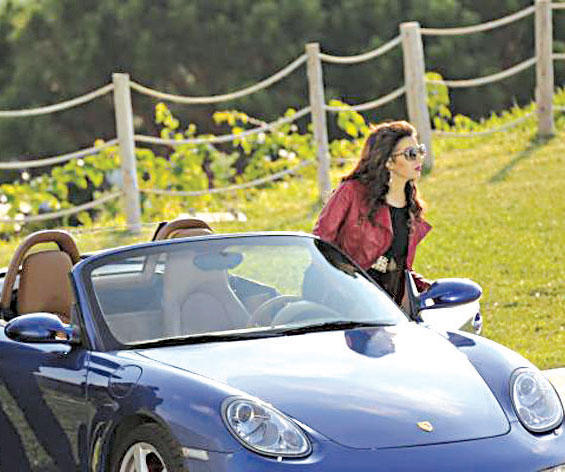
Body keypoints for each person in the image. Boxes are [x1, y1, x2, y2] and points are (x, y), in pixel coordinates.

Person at [313, 120, 432, 306]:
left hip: (385, 307)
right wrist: (345, 287)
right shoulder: (350, 192)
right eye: (411, 154)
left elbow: (396, 266)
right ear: (389, 162)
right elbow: (320, 245)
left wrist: (428, 288)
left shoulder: (411, 207)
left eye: (420, 151)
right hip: (336, 299)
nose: (419, 159)